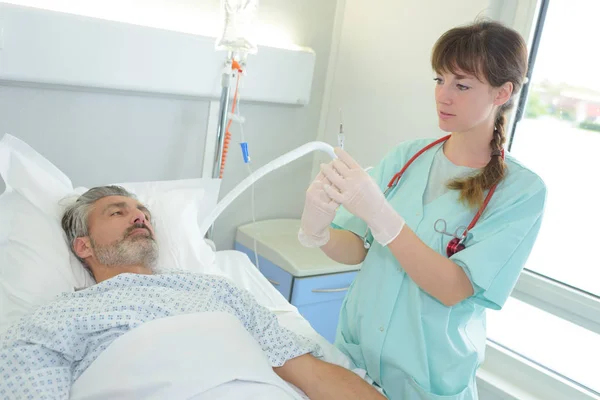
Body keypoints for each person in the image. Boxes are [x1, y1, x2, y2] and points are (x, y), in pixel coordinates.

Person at [298, 19, 547, 399]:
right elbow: (357, 247)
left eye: (461, 85)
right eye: (439, 80)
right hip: (355, 361)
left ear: (503, 93)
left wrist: (385, 220)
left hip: (427, 381)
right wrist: (319, 230)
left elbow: (453, 289)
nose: (443, 96)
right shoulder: (406, 158)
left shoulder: (521, 192)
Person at [0, 186, 386, 400]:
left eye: (143, 212)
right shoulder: (53, 320)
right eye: (117, 212)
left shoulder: (217, 290)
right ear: (82, 247)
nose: (140, 216)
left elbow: (314, 376)